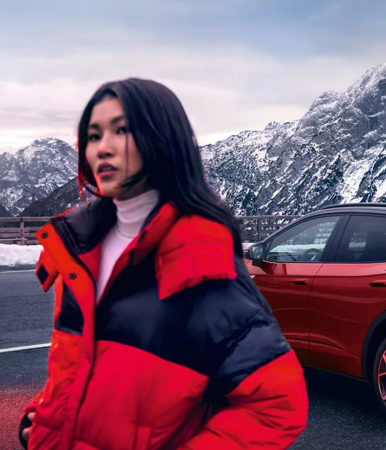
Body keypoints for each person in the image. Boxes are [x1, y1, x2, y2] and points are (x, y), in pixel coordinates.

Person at [18, 78, 308, 449]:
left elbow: (277, 406)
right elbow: (79, 367)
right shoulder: (78, 248)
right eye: (93, 135)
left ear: (162, 138)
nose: (102, 147)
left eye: (121, 130)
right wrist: (42, 422)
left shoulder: (200, 260)